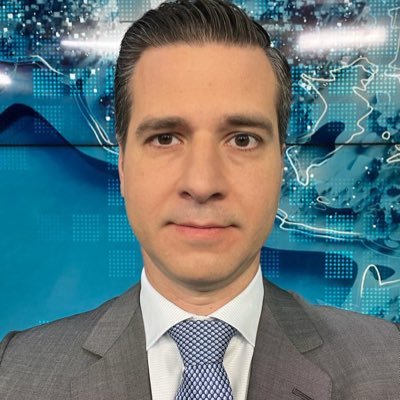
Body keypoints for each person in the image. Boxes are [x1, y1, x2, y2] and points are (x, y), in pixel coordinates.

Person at [0, 0, 398, 399]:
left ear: (280, 163)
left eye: (242, 140)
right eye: (165, 138)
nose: (203, 183)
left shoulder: (388, 364)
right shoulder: (16, 375)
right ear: (122, 164)